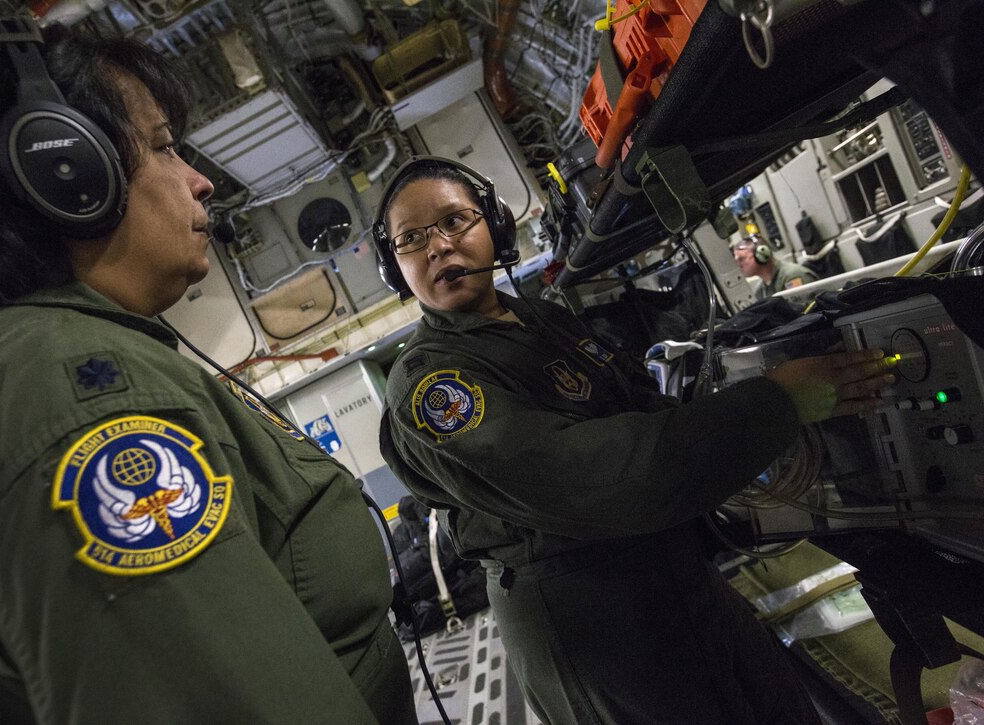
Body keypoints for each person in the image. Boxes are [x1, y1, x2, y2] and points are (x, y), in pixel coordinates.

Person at [0, 11, 415, 724]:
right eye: (165, 147)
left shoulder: (45, 369)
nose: (200, 181)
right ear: (65, 169)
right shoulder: (78, 397)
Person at [374, 157, 896, 725]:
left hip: (676, 582)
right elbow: (596, 476)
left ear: (495, 227)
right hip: (595, 628)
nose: (438, 247)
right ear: (394, 266)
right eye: (411, 239)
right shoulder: (430, 384)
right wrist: (776, 403)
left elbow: (644, 409)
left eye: (455, 221)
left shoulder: (541, 320)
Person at [733, 233, 819, 300]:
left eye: (742, 259)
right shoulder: (761, 290)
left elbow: (803, 315)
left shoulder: (793, 276)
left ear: (762, 254)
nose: (738, 265)